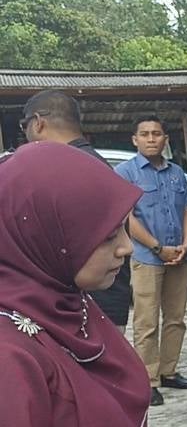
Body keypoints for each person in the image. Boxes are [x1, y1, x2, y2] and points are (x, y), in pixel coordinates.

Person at [0, 142, 174, 427]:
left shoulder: (69, 306)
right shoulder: (11, 359)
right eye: (107, 235)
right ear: (46, 234)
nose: (126, 248)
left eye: (123, 229)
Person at [20, 92, 184, 427]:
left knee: (104, 405)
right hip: (81, 301)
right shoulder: (91, 165)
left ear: (37, 123)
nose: (122, 245)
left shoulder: (70, 170)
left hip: (89, 301)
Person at [20, 90, 132, 332]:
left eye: (23, 126)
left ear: (38, 122)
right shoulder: (96, 164)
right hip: (106, 294)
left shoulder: (61, 169)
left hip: (85, 302)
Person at [115, 115, 187, 407]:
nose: (151, 139)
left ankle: (169, 371)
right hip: (147, 257)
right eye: (145, 134)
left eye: (157, 133)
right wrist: (157, 247)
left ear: (165, 139)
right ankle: (148, 380)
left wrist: (185, 243)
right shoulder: (126, 173)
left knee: (176, 318)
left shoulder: (176, 172)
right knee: (147, 321)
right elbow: (127, 218)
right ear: (135, 139)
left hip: (180, 256)